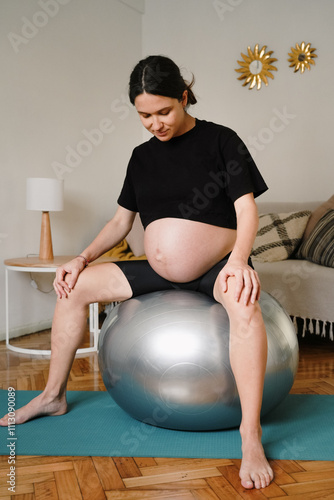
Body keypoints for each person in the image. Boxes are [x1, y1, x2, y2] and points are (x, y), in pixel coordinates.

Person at [1, 55, 274, 490]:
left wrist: (240, 260)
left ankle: (250, 434)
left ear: (184, 97)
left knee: (245, 308)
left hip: (219, 266)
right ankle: (52, 396)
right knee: (71, 288)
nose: (155, 123)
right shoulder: (141, 157)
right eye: (144, 115)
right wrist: (80, 259)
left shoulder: (222, 141)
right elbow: (120, 223)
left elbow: (246, 209)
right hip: (158, 271)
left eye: (164, 111)